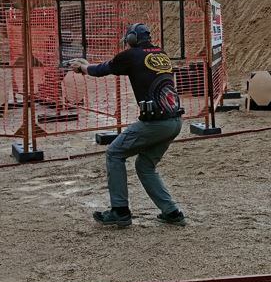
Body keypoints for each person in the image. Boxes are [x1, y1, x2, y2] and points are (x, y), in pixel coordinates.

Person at [69, 23, 187, 228]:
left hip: (156, 123)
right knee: (145, 166)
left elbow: (103, 69)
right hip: (175, 122)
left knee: (114, 153)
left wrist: (83, 67)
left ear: (132, 39)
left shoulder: (131, 55)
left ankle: (120, 211)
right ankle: (172, 212)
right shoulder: (162, 53)